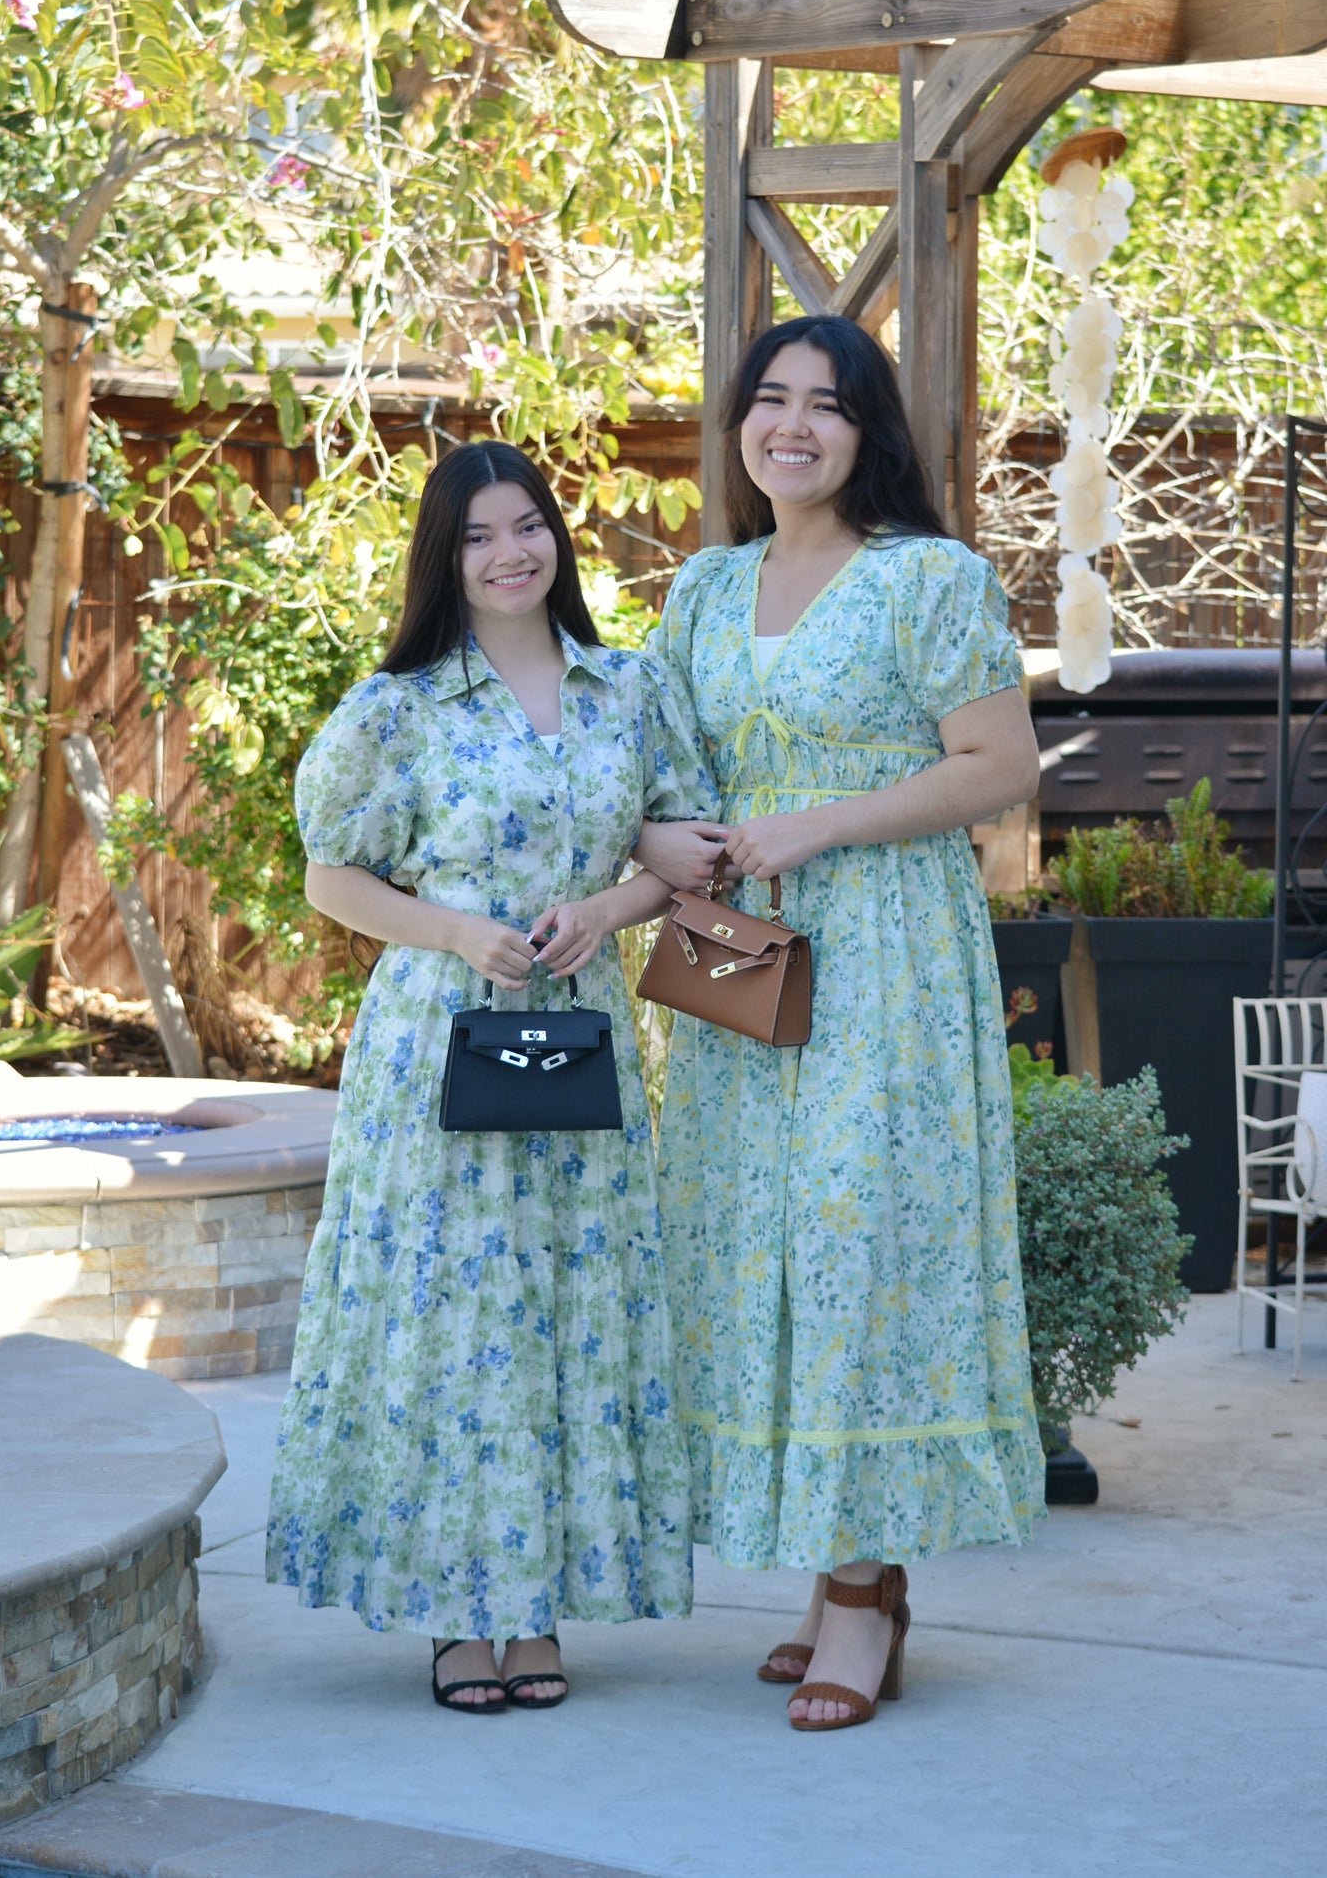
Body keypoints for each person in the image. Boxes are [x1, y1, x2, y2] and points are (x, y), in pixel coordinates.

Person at [635, 315, 1046, 1731]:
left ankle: (867, 1591)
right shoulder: (702, 585)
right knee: (758, 1252)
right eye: (770, 401)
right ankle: (828, 1573)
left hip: (886, 959)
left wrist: (820, 824)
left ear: (869, 434)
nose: (792, 426)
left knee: (863, 1247)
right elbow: (660, 767)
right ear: (740, 426)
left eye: (827, 405)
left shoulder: (931, 579)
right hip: (740, 958)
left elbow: (998, 765)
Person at [266, 439, 716, 1715]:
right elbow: (331, 875)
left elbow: (680, 852)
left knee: (569, 1310)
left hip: (581, 1034)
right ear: (443, 559)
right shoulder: (397, 706)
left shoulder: (628, 690)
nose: (509, 553)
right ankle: (458, 1611)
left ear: (555, 539)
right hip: (439, 1033)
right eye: (477, 536)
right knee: (454, 1319)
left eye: (527, 526)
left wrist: (604, 908)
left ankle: (539, 1607)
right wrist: (461, 931)